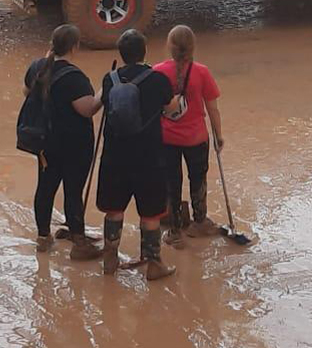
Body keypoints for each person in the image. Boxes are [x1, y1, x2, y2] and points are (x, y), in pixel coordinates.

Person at [97, 29, 179, 280]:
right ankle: (154, 265)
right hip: (149, 158)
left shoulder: (109, 80)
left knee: (114, 209)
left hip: (114, 156)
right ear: (144, 52)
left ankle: (110, 258)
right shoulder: (158, 80)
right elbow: (171, 110)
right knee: (151, 214)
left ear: (121, 54)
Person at [24, 24, 103, 261]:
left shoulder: (37, 67)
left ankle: (43, 237)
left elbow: (27, 93)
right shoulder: (74, 77)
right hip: (74, 145)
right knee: (72, 191)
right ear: (75, 46)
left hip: (45, 143)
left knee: (45, 188)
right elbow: (88, 109)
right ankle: (79, 242)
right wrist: (103, 91)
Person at [154, 25, 223, 249]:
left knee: (171, 182)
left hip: (167, 138)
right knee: (198, 179)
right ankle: (199, 221)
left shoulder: (158, 72)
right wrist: (218, 136)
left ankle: (174, 229)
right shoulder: (201, 72)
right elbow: (212, 108)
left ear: (169, 47)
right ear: (193, 47)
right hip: (196, 138)